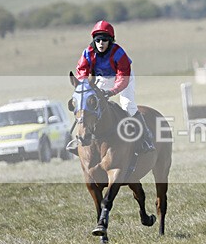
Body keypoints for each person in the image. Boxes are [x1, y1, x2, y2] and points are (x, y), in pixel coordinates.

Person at [66, 20, 155, 154]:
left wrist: (112, 91)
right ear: (94, 41)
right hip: (102, 78)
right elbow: (82, 71)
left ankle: (145, 138)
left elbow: (122, 78)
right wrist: (85, 86)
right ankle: (79, 140)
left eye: (104, 40)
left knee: (128, 105)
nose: (101, 43)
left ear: (110, 41)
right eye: (98, 40)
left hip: (124, 78)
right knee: (86, 103)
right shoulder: (88, 52)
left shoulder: (119, 53)